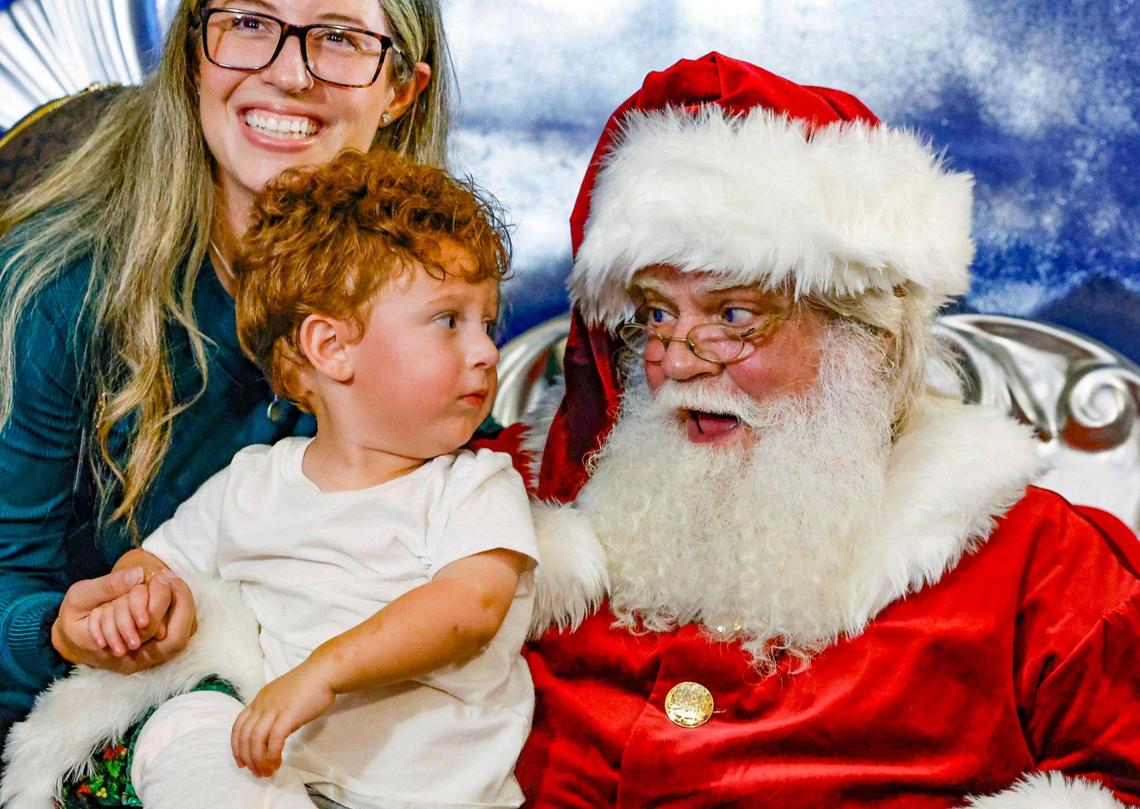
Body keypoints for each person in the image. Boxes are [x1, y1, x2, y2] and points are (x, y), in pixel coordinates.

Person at [502, 54, 1140, 807]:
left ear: (867, 341)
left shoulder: (1046, 572)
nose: (676, 362)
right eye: (656, 315)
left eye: (735, 315)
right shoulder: (513, 526)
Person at [5, 148, 539, 809]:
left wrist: (327, 671)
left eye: (487, 323)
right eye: (449, 320)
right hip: (277, 780)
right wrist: (135, 600)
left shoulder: (473, 485)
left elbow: (469, 608)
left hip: (429, 797)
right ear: (331, 347)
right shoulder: (255, 481)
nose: (487, 350)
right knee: (182, 723)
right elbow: (161, 565)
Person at [0, 0, 451, 752]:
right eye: (248, 22)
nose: (286, 71)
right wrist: (62, 630)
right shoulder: (57, 290)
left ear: (401, 88)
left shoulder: (431, 295)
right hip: (91, 750)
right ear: (193, 56)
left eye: (338, 37)